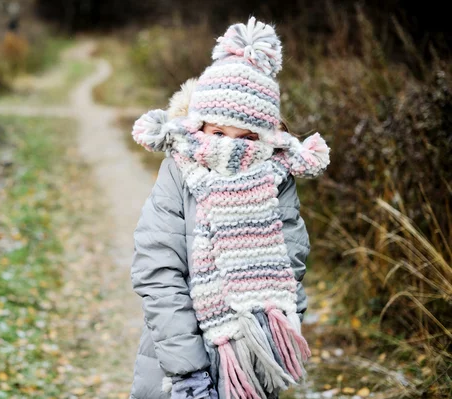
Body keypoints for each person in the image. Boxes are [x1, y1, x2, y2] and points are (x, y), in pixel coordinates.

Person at [128, 16, 331, 399]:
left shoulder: (275, 176)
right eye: (219, 133)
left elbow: (291, 261)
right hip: (177, 360)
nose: (231, 148)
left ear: (266, 136)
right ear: (199, 124)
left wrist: (275, 333)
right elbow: (156, 270)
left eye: (247, 137)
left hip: (253, 356)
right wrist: (188, 371)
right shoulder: (180, 170)